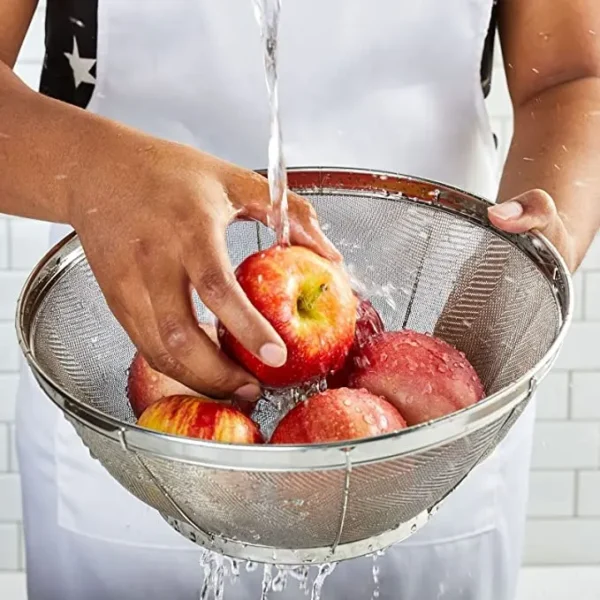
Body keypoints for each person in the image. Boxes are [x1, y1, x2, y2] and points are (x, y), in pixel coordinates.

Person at [2, 0, 599, 598]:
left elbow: (572, 75)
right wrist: (92, 172)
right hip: (139, 432)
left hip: (431, 421)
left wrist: (520, 268)